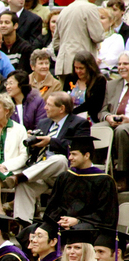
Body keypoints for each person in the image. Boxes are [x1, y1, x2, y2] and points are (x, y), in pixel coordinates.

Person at [7, 92, 91, 223]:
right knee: (24, 186)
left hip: (65, 172)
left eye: (49, 105)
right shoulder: (43, 123)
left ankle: (19, 176)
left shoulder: (79, 123)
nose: (45, 107)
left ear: (61, 108)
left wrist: (51, 141)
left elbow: (79, 148)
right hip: (42, 172)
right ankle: (23, 228)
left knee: (60, 159)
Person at [44, 136, 118, 229]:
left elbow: (105, 215)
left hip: (88, 226)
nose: (70, 158)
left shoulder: (104, 180)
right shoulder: (65, 176)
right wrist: (61, 220)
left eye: (74, 154)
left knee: (77, 230)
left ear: (87, 155)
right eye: (70, 154)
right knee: (32, 230)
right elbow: (53, 206)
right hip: (61, 222)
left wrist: (78, 221)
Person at [98, 52, 129, 192]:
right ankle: (95, 171)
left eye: (126, 64)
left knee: (121, 131)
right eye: (120, 64)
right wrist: (108, 117)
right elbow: (102, 111)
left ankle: (122, 176)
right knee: (96, 129)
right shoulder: (111, 85)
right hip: (114, 121)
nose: (122, 67)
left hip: (126, 124)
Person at [53, 0, 104, 78]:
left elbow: (56, 44)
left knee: (65, 90)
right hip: (82, 66)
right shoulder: (90, 8)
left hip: (62, 66)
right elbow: (98, 36)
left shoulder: (64, 11)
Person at [62, 51, 106, 123]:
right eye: (76, 68)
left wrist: (72, 113)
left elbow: (93, 105)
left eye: (81, 68)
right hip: (68, 118)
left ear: (89, 68)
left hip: (88, 118)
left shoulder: (99, 80)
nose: (78, 71)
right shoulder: (70, 78)